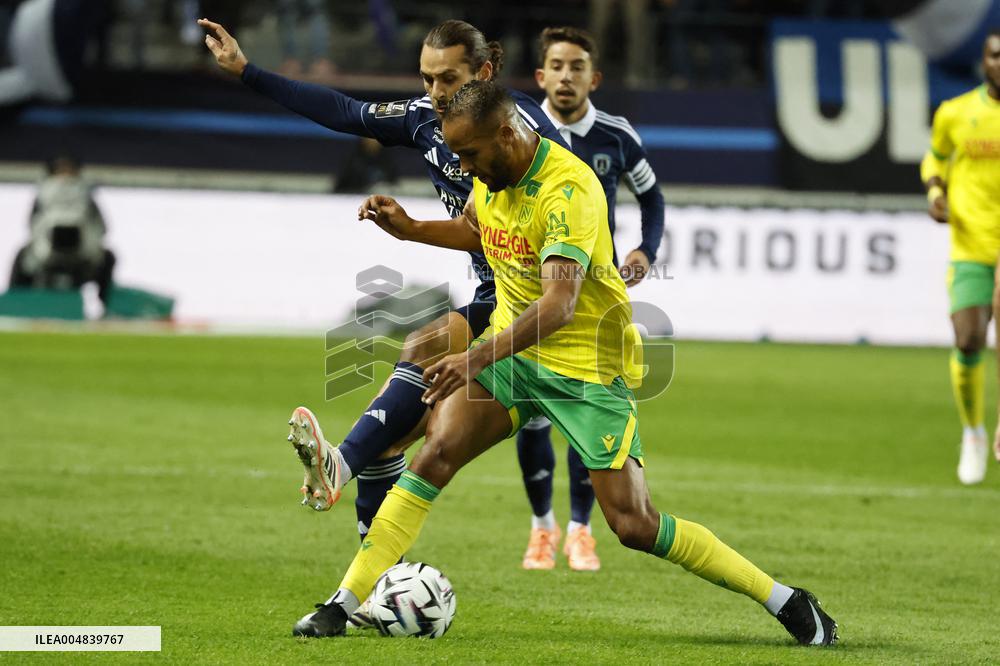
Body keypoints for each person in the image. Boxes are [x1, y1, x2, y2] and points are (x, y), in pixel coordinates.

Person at [290, 80, 839, 646]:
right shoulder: (489, 173)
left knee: (633, 524)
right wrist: (410, 231)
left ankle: (785, 599)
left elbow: (559, 305)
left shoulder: (569, 189)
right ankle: (341, 604)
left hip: (585, 365)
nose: (463, 167)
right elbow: (478, 229)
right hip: (512, 351)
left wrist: (472, 357)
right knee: (435, 454)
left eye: (470, 154)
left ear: (507, 134)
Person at [199, 18, 569, 548]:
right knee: (392, 438)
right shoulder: (424, 120)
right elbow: (346, 112)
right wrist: (247, 71)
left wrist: (416, 231)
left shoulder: (522, 136)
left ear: (484, 73)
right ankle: (376, 587)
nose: (436, 94)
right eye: (426, 79)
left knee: (422, 357)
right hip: (496, 293)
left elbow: (532, 232)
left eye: (450, 80)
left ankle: (341, 466)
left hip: (538, 300)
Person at [515, 26, 665, 572]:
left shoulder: (618, 135)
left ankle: (581, 529)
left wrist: (646, 249)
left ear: (593, 77)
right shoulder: (522, 128)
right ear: (540, 76)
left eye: (576, 66)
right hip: (527, 285)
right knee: (531, 417)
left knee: (584, 409)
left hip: (594, 295)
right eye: (556, 65)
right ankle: (541, 528)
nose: (566, 76)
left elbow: (652, 196)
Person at [920, 30, 1000, 485]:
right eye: (996, 56)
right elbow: (933, 159)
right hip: (972, 246)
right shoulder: (957, 113)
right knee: (969, 338)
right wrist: (935, 191)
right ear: (984, 62)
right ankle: (972, 432)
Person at [9, 155, 115, 305]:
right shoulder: (43, 196)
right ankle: (16, 303)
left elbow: (101, 227)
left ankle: (105, 305)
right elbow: (33, 225)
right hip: (45, 256)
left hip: (84, 256)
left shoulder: (86, 196)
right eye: (61, 170)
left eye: (69, 170)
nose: (65, 175)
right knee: (22, 257)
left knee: (108, 258)